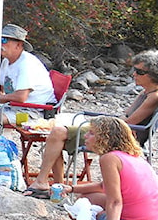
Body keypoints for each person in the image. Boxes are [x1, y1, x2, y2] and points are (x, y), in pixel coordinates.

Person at [24, 50, 158, 197]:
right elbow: (124, 115)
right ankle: (57, 187)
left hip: (122, 137)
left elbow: (128, 123)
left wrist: (98, 124)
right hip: (117, 129)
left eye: (139, 72)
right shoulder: (145, 92)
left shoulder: (153, 97)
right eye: (134, 70)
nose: (134, 74)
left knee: (58, 133)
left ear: (153, 75)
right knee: (57, 133)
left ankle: (44, 183)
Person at [59, 117, 158, 220]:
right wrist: (72, 188)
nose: (85, 136)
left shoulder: (109, 159)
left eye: (91, 133)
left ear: (104, 138)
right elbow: (103, 186)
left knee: (80, 213)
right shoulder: (134, 157)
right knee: (85, 198)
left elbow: (115, 201)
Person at [0, 23, 55, 124]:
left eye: (3, 40)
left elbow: (20, 97)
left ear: (18, 45)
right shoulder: (6, 61)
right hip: (13, 108)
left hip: (33, 113)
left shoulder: (27, 64)